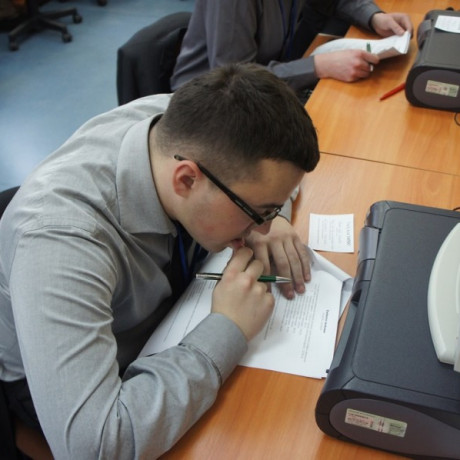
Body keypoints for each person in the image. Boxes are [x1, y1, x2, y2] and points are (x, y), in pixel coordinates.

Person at [0, 63, 320, 458]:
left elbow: (269, 172)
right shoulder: (60, 240)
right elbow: (96, 446)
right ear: (186, 179)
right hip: (67, 380)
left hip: (155, 317)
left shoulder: (184, 125)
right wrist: (228, 329)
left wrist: (275, 215)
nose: (265, 228)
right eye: (259, 212)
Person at [170, 0, 413, 95]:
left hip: (266, 83)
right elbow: (234, 78)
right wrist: (318, 67)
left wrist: (374, 17)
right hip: (211, 101)